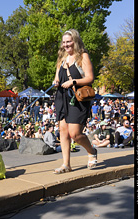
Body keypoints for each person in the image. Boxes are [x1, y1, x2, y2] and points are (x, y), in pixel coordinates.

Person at [53, 29, 97, 174]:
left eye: (69, 42)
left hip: (77, 98)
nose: (66, 45)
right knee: (63, 132)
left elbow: (90, 78)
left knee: (75, 134)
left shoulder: (82, 56)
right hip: (62, 97)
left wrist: (74, 81)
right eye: (64, 42)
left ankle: (91, 151)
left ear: (75, 41)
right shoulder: (62, 58)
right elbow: (57, 76)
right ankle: (66, 164)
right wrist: (56, 81)